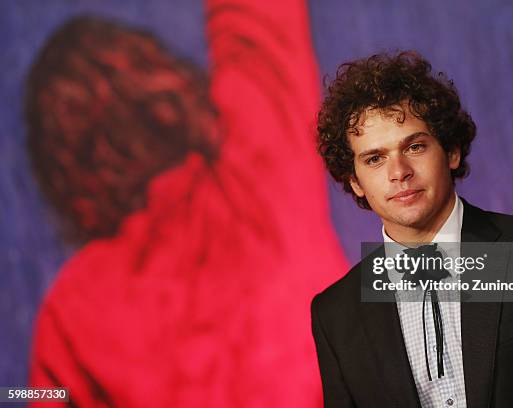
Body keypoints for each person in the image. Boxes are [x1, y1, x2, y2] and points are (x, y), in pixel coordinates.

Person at [27, 1, 347, 406]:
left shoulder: (71, 311)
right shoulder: (261, 171)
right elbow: (258, 19)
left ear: (60, 167)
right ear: (160, 84)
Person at [311, 51, 513, 407]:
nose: (399, 171)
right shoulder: (335, 314)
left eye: (415, 146)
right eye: (374, 158)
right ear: (355, 181)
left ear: (452, 151)